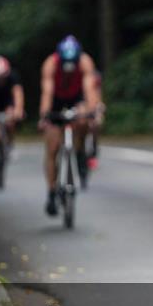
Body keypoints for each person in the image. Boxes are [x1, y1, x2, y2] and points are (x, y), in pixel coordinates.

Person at [37, 35, 101, 215]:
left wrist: (92, 111)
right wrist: (45, 115)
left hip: (76, 98)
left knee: (83, 120)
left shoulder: (85, 61)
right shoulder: (51, 64)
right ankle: (51, 191)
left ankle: (80, 154)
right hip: (56, 101)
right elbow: (47, 92)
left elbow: (90, 89)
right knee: (52, 147)